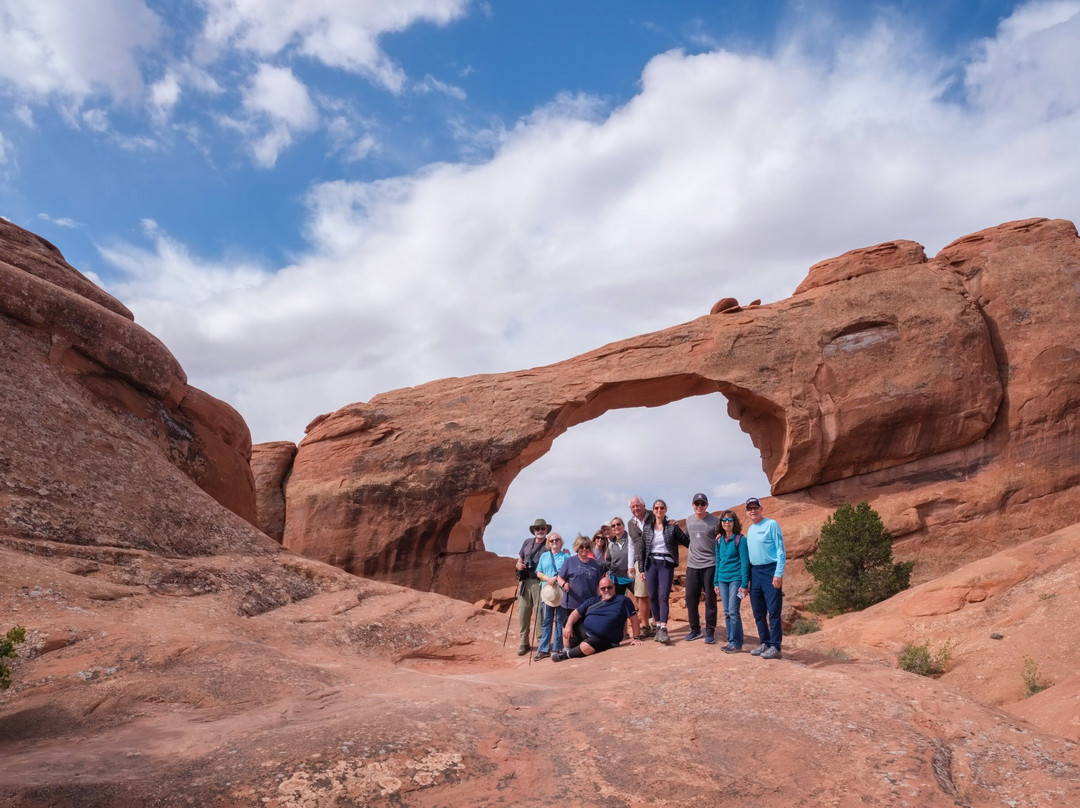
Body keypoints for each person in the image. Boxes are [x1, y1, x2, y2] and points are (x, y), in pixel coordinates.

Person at [633, 499, 689, 644]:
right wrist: (642, 569)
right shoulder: (647, 528)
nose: (659, 510)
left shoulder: (672, 527)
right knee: (652, 596)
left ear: (665, 510)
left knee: (663, 596)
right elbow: (642, 549)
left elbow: (687, 542)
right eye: (656, 508)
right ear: (653, 510)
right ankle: (657, 626)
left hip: (666, 564)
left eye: (661, 508)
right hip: (651, 564)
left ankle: (663, 628)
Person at [552, 575, 644, 661]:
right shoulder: (593, 601)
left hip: (605, 639)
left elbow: (634, 619)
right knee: (567, 621)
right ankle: (567, 649)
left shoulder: (623, 601)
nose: (606, 590)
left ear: (614, 587)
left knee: (586, 646)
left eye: (609, 587)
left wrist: (636, 638)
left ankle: (566, 655)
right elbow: (576, 613)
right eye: (603, 588)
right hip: (585, 633)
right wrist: (568, 625)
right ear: (599, 590)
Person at [744, 497, 786, 660]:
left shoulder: (771, 524)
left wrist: (778, 573)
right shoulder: (751, 529)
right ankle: (765, 643)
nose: (753, 511)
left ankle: (775, 646)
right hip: (755, 572)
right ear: (747, 512)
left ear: (761, 509)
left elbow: (781, 551)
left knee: (774, 611)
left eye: (755, 508)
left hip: (770, 570)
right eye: (750, 508)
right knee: (758, 611)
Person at [683, 493, 721, 644]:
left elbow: (721, 538)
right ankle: (695, 630)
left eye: (702, 504)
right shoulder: (689, 520)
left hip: (710, 565)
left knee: (710, 599)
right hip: (692, 565)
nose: (699, 507)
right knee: (691, 598)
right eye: (696, 504)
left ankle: (710, 631)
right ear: (692, 505)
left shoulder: (714, 521)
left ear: (707, 505)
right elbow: (687, 539)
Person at [713, 509, 750, 653]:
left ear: (734, 523)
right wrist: (715, 582)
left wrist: (744, 583)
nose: (726, 523)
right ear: (721, 523)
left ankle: (737, 643)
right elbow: (718, 561)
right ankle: (731, 641)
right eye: (724, 520)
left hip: (735, 579)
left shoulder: (740, 540)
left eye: (729, 520)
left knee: (734, 611)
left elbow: (745, 562)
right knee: (727, 611)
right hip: (722, 579)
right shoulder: (718, 541)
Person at [515, 517, 551, 656]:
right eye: (537, 529)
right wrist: (519, 565)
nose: (540, 531)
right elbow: (520, 558)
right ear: (533, 530)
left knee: (539, 613)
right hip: (524, 581)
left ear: (546, 530)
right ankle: (524, 643)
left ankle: (541, 642)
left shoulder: (549, 544)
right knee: (523, 612)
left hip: (539, 581)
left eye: (543, 528)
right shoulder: (527, 542)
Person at [534, 532, 571, 661]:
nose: (554, 542)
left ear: (561, 542)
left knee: (560, 620)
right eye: (551, 541)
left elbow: (568, 571)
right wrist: (548, 579)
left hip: (560, 592)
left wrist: (555, 578)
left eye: (557, 540)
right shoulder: (544, 556)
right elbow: (538, 572)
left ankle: (557, 648)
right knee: (547, 621)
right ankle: (543, 649)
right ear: (548, 543)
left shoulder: (566, 557)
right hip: (547, 593)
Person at [625, 496, 653, 637]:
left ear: (643, 505)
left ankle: (658, 624)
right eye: (632, 507)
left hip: (655, 559)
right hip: (639, 562)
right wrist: (630, 565)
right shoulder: (630, 524)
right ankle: (646, 626)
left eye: (637, 506)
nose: (635, 509)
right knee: (642, 595)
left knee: (657, 593)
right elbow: (630, 545)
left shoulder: (653, 516)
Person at [556, 534, 602, 615]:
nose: (584, 549)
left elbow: (598, 585)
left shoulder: (594, 563)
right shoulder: (569, 561)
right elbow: (559, 577)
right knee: (569, 627)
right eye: (581, 547)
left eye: (587, 547)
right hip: (572, 604)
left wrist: (601, 599)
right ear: (577, 547)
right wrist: (564, 584)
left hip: (590, 604)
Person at [605, 518, 634, 597]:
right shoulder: (611, 545)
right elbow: (608, 563)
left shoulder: (632, 539)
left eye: (618, 524)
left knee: (643, 598)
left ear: (623, 526)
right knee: (617, 603)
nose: (616, 527)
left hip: (632, 577)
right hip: (617, 579)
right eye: (613, 525)